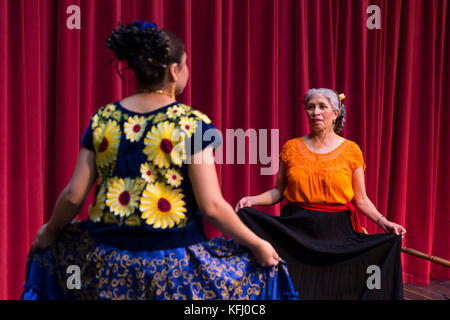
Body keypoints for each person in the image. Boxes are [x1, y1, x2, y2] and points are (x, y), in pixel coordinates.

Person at [21, 21, 298, 300]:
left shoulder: (103, 119)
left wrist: (48, 231)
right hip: (171, 268)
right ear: (174, 70)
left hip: (106, 263)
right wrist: (256, 244)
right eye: (186, 64)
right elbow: (212, 206)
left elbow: (72, 197)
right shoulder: (192, 124)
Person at [236, 88, 407, 300]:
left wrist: (384, 222)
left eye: (322, 107)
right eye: (311, 107)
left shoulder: (351, 150)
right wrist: (252, 200)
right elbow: (279, 191)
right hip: (296, 231)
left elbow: (360, 199)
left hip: (336, 233)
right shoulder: (291, 148)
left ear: (335, 113)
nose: (315, 112)